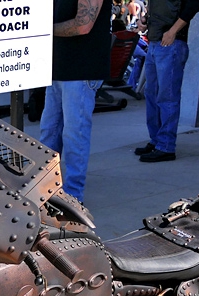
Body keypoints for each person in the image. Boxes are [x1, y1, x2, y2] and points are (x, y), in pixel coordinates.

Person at [39, 0, 111, 203]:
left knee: (74, 135)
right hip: (58, 68)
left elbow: (82, 25)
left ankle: (73, 198)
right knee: (49, 132)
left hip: (81, 70)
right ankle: (45, 190)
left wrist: (41, 28)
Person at [133, 0, 199, 162]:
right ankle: (157, 141)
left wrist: (173, 31)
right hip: (156, 41)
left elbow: (194, 4)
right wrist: (145, 20)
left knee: (167, 97)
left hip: (171, 42)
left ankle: (166, 145)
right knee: (152, 95)